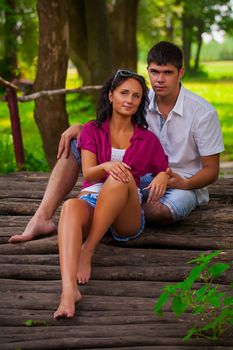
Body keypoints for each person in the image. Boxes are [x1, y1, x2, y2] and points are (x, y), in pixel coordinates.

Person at [9, 41, 224, 243]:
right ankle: (42, 217)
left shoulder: (202, 113)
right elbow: (110, 126)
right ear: (148, 70)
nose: (159, 79)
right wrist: (82, 128)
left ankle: (97, 213)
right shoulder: (139, 99)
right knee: (75, 142)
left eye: (167, 73)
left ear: (181, 73)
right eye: (154, 72)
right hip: (138, 176)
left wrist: (185, 183)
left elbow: (211, 170)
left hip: (180, 183)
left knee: (164, 211)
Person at [53, 70, 168, 318]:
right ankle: (68, 291)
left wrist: (163, 175)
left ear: (140, 102)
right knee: (71, 205)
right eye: (124, 93)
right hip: (94, 199)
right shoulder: (92, 130)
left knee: (119, 177)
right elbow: (89, 173)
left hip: (127, 211)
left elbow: (166, 170)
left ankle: (88, 250)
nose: (129, 99)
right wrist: (105, 165)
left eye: (136, 96)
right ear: (111, 95)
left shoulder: (147, 139)